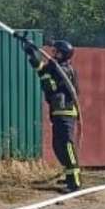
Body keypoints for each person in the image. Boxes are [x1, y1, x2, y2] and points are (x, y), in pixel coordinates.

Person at [23, 38, 82, 193]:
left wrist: (46, 74)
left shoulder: (66, 70)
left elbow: (49, 84)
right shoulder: (55, 67)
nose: (53, 54)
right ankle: (69, 175)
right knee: (58, 146)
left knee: (66, 145)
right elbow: (41, 70)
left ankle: (74, 182)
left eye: (56, 52)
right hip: (57, 113)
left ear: (63, 55)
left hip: (66, 113)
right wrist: (31, 54)